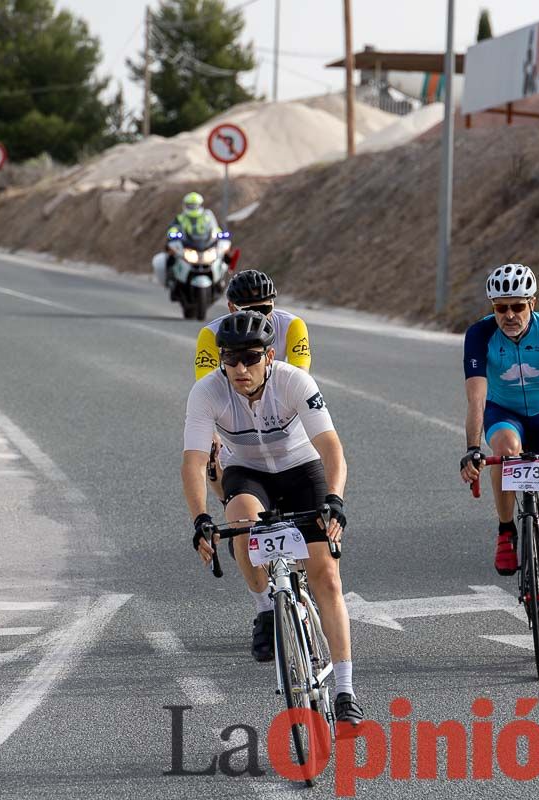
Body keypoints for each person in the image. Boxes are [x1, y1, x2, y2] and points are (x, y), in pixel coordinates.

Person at [183, 311, 364, 725]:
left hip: (302, 469)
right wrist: (199, 521)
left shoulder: (293, 381)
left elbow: (331, 447)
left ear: (268, 356)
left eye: (250, 358)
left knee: (326, 576)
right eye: (230, 359)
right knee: (242, 523)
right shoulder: (206, 392)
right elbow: (193, 462)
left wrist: (334, 500)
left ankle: (345, 688)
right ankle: (266, 606)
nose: (240, 369)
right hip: (248, 472)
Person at [459, 264, 539, 643]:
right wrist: (471, 449)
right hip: (505, 415)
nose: (510, 316)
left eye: (518, 306)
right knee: (504, 449)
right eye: (501, 308)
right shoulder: (480, 334)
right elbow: (476, 399)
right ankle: (506, 530)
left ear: (533, 303)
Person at [195, 269, 312, 495]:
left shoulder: (293, 325)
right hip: (235, 403)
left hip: (281, 398)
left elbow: (301, 376)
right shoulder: (211, 334)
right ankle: (231, 507)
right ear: (231, 308)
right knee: (211, 452)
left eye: (264, 309)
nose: (258, 315)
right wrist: (212, 432)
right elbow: (206, 387)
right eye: (250, 310)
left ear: (273, 306)